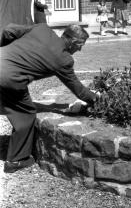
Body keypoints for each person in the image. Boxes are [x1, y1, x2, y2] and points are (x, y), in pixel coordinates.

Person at [0, 23, 99, 173]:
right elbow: (79, 90)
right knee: (25, 114)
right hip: (9, 79)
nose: (80, 49)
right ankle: (15, 161)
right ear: (72, 41)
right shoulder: (63, 60)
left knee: (8, 103)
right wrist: (99, 99)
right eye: (80, 45)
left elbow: (8, 30)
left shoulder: (42, 29)